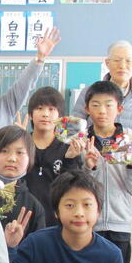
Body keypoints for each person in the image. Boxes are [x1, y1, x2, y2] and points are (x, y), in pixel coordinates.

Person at [82, 80, 132, 263]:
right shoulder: (81, 141)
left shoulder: (130, 141)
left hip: (120, 224)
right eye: (96, 105)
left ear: (119, 109)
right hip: (89, 224)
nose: (102, 111)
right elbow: (77, 186)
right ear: (87, 109)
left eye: (108, 105)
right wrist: (89, 167)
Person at [24, 86, 83, 227]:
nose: (45, 114)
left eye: (51, 109)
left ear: (60, 117)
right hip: (23, 220)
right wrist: (18, 145)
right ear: (31, 114)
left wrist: (70, 160)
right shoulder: (21, 145)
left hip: (55, 222)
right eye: (39, 108)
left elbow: (73, 188)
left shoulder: (68, 148)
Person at [71, 40, 132, 133]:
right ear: (107, 63)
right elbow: (74, 128)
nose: (122, 66)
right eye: (117, 60)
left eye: (128, 61)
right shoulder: (88, 92)